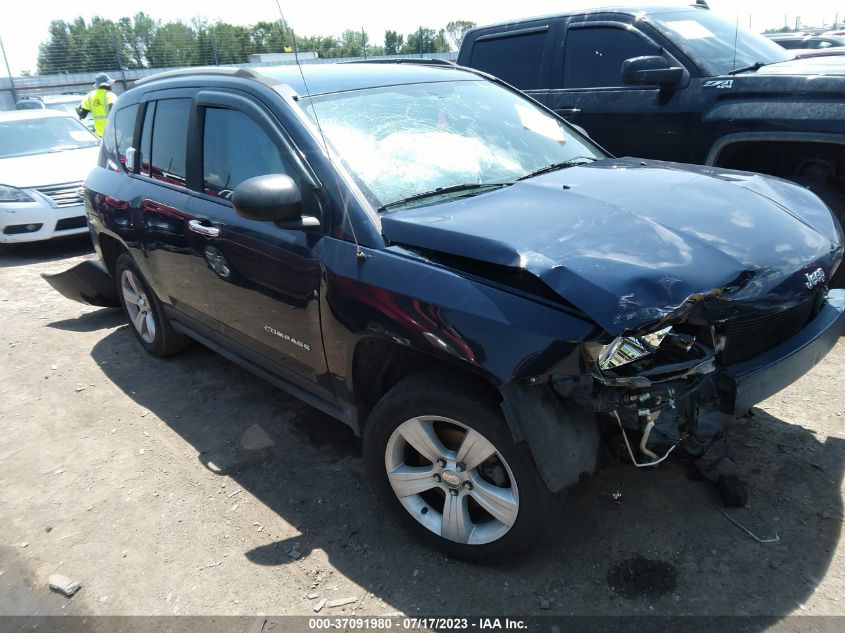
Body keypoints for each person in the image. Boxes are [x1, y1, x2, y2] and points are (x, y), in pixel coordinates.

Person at [77, 73, 117, 138]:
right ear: (107, 85)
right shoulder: (110, 95)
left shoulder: (89, 96)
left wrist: (77, 109)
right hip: (113, 133)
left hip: (99, 135)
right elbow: (115, 113)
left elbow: (82, 115)